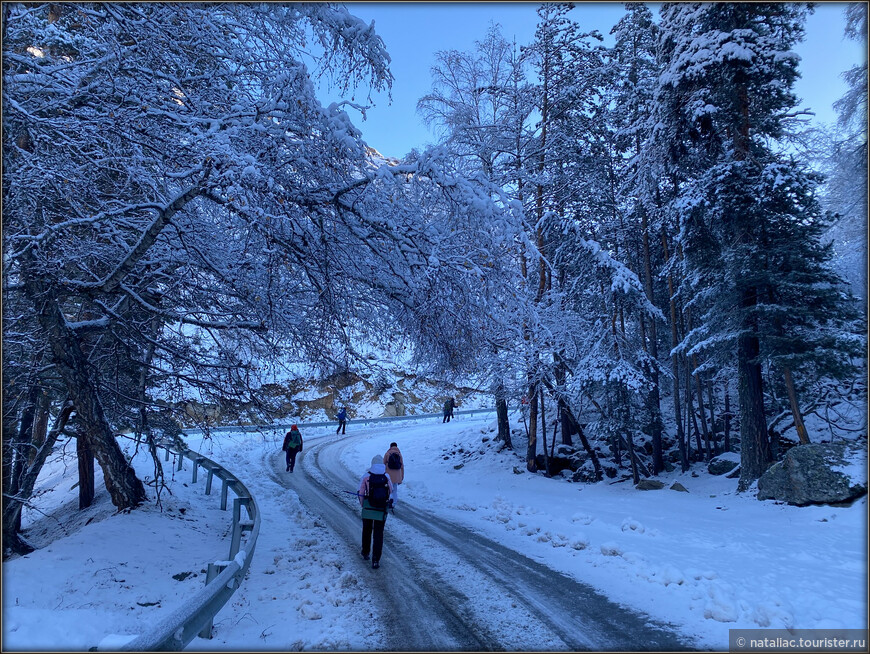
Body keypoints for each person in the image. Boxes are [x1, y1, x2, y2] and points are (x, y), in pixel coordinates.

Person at [357, 455, 393, 569]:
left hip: (368, 507)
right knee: (379, 534)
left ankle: (365, 552)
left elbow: (360, 492)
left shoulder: (366, 476)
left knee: (367, 530)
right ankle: (376, 559)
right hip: (381, 508)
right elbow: (390, 490)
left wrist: (364, 505)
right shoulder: (386, 476)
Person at [383, 442, 404, 507]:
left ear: (390, 447)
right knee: (395, 490)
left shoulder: (387, 453)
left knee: (388, 489)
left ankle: (388, 501)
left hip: (388, 475)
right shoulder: (399, 455)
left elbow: (383, 464)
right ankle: (394, 503)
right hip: (397, 476)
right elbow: (402, 466)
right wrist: (401, 477)